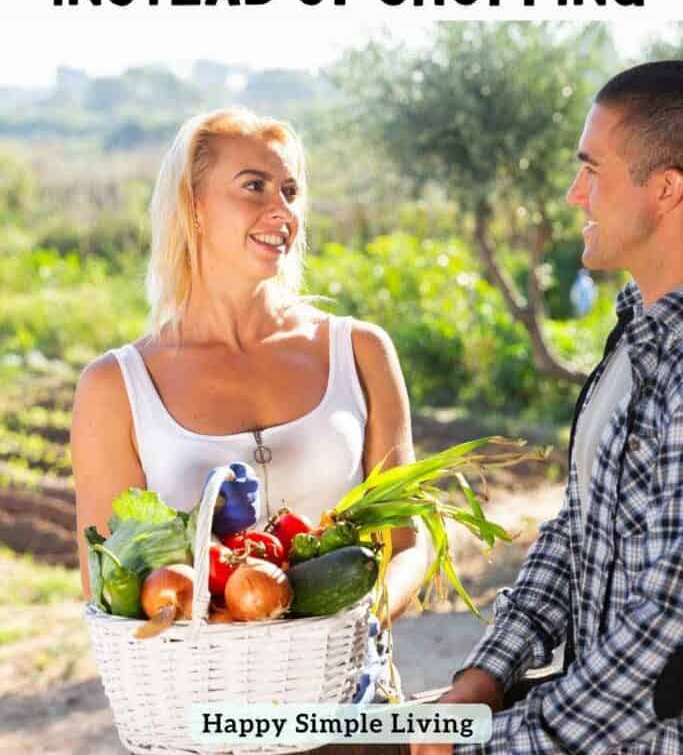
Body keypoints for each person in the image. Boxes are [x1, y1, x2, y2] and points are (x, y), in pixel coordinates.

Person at [71, 106, 428, 702]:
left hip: (353, 700)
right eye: (254, 187)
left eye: (290, 190)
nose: (280, 210)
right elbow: (110, 586)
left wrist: (341, 631)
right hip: (205, 712)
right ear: (194, 206)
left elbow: (408, 544)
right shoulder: (116, 385)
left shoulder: (360, 351)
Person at [412, 60, 683, 754]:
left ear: (665, 188)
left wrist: (493, 744)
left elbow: (667, 630)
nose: (572, 195)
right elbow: (581, 526)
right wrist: (485, 674)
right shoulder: (637, 333)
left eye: (590, 169)